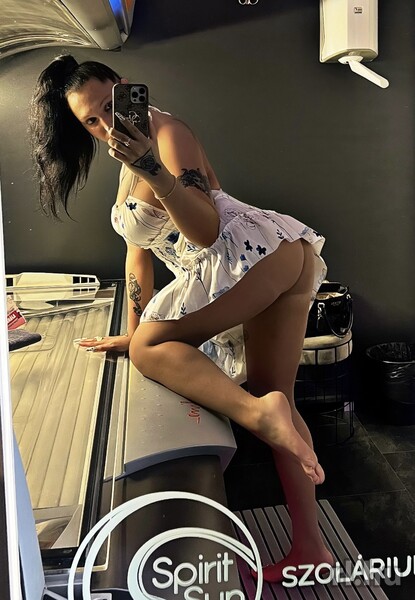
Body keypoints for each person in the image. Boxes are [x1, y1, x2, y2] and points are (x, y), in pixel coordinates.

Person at [29, 54, 333, 582]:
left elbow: (207, 231)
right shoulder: (126, 155)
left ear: (126, 87)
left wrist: (151, 166)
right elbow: (137, 253)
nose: (105, 124)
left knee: (160, 355)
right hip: (271, 258)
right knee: (273, 393)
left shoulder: (167, 136)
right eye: (91, 121)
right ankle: (312, 546)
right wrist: (132, 328)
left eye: (109, 107)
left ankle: (258, 414)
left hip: (245, 255)